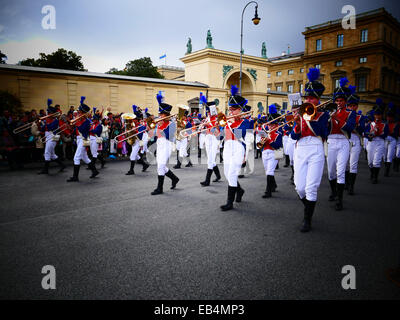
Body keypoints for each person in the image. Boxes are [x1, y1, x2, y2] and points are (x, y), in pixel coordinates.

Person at [291, 68, 329, 232]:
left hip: (315, 147)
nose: (308, 100)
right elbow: (293, 136)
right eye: (307, 97)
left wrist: (310, 118)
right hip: (300, 149)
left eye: (312, 98)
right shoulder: (299, 114)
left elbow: (324, 132)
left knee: (311, 188)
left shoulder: (323, 115)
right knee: (299, 188)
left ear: (318, 100)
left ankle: (307, 219)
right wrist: (298, 122)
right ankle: (309, 207)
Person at [326, 77, 356, 211]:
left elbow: (349, 128)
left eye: (341, 100)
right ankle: (334, 192)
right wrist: (327, 119)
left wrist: (337, 118)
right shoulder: (329, 113)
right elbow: (324, 129)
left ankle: (340, 199)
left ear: (345, 101)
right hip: (331, 141)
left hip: (343, 141)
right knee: (331, 171)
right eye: (337, 100)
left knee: (341, 171)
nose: (339, 102)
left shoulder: (350, 113)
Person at [220, 85, 250, 211]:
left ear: (240, 109)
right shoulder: (227, 121)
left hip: (238, 147)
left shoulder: (247, 121)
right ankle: (240, 190)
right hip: (227, 147)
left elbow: (241, 136)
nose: (230, 112)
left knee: (232, 173)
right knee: (227, 173)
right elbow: (223, 135)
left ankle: (229, 202)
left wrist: (231, 124)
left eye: (233, 110)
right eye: (230, 109)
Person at [148, 92, 179, 195]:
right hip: (160, 144)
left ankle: (159, 188)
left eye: (161, 114)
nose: (159, 116)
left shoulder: (171, 123)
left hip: (167, 145)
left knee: (161, 165)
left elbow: (169, 136)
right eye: (159, 114)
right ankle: (174, 178)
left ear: (166, 115)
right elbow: (153, 135)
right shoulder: (159, 124)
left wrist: (160, 125)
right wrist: (150, 128)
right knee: (161, 166)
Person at [67, 96, 99, 182]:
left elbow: (82, 130)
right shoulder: (80, 119)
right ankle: (94, 171)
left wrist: (77, 123)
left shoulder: (87, 121)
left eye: (79, 111)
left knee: (76, 158)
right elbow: (76, 130)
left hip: (83, 139)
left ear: (82, 112)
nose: (78, 113)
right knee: (85, 157)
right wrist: (71, 128)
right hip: (78, 139)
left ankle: (75, 177)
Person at [345, 86, 365, 195]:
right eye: (350, 105)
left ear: (357, 106)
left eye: (354, 105)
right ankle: (347, 183)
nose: (352, 107)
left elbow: (362, 129)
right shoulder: (345, 115)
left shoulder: (361, 117)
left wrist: (355, 125)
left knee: (353, 164)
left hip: (355, 139)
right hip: (345, 139)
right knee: (346, 164)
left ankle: (351, 186)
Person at [259, 105, 283, 198]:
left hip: (273, 153)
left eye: (272, 124)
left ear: (276, 124)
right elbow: (261, 145)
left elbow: (277, 145)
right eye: (269, 124)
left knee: (269, 171)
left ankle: (268, 192)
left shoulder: (278, 133)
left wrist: (269, 140)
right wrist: (262, 141)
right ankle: (274, 185)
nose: (270, 126)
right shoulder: (265, 132)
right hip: (265, 152)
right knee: (268, 171)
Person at [38, 99, 66, 174]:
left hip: (52, 137)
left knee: (47, 152)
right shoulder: (47, 120)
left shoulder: (55, 120)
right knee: (52, 154)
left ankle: (45, 170)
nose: (47, 113)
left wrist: (46, 122)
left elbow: (51, 128)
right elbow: (43, 129)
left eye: (48, 112)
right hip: (47, 136)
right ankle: (62, 165)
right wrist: (42, 123)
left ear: (51, 113)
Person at [199, 94, 221, 186]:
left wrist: (210, 126)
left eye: (209, 111)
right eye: (207, 111)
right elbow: (202, 127)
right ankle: (218, 175)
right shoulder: (208, 118)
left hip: (215, 138)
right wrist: (202, 126)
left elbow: (217, 132)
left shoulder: (217, 119)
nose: (208, 113)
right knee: (210, 159)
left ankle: (207, 180)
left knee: (210, 160)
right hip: (208, 138)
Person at [365, 99, 389, 184]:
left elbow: (386, 134)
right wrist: (370, 135)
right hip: (371, 142)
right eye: (376, 115)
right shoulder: (371, 124)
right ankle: (372, 173)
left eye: (379, 115)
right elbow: (365, 133)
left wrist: (379, 133)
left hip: (380, 142)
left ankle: (375, 177)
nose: (377, 117)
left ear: (381, 115)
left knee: (376, 161)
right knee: (370, 161)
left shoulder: (385, 124)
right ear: (374, 115)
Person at [383, 103, 399, 177]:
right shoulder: (384, 123)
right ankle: (386, 166)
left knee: (390, 156)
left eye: (390, 117)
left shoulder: (396, 124)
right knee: (385, 156)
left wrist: (393, 133)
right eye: (388, 117)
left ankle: (387, 170)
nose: (389, 118)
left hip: (392, 140)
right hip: (385, 140)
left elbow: (397, 134)